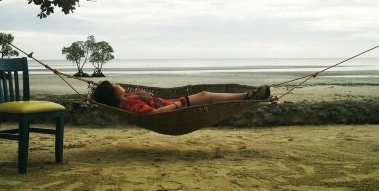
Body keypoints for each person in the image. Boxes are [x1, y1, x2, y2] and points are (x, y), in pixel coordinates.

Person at [91, 80, 271, 114]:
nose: (117, 84)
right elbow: (154, 115)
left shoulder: (129, 98)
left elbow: (149, 102)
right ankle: (248, 96)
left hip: (175, 103)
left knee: (208, 96)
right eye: (114, 84)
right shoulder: (128, 105)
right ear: (113, 92)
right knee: (206, 95)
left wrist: (147, 97)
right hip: (175, 108)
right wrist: (177, 106)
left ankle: (248, 96)